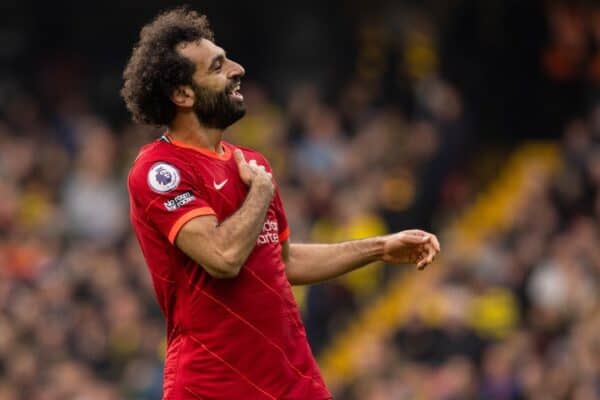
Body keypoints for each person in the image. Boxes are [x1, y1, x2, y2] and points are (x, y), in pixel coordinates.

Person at [121, 7, 441, 400]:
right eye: (218, 66)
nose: (237, 69)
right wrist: (259, 195)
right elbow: (223, 257)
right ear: (183, 94)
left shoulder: (253, 164)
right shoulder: (159, 169)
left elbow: (283, 262)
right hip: (213, 385)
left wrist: (379, 247)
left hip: (292, 381)